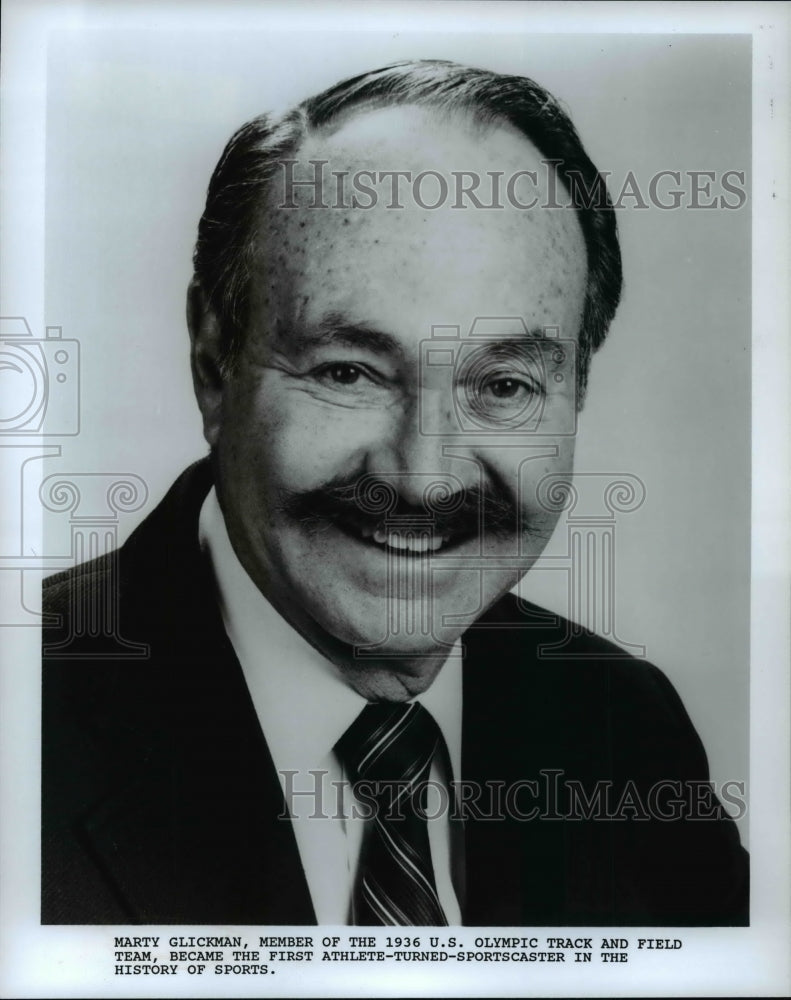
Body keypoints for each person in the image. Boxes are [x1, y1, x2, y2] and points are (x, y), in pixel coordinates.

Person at [41, 59, 748, 926]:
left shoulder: (625, 733)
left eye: (504, 385)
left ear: (576, 392)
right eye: (349, 372)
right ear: (213, 365)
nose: (424, 476)